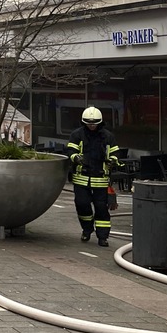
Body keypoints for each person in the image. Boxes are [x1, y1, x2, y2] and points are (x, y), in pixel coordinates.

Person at [67, 106, 121, 247]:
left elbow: (115, 153)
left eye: (94, 123)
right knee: (82, 204)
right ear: (84, 122)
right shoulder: (77, 135)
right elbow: (70, 150)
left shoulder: (107, 136)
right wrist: (76, 158)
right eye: (89, 123)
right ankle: (87, 229)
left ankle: (103, 237)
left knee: (101, 209)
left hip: (100, 179)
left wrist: (113, 160)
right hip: (81, 178)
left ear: (100, 122)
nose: (91, 126)